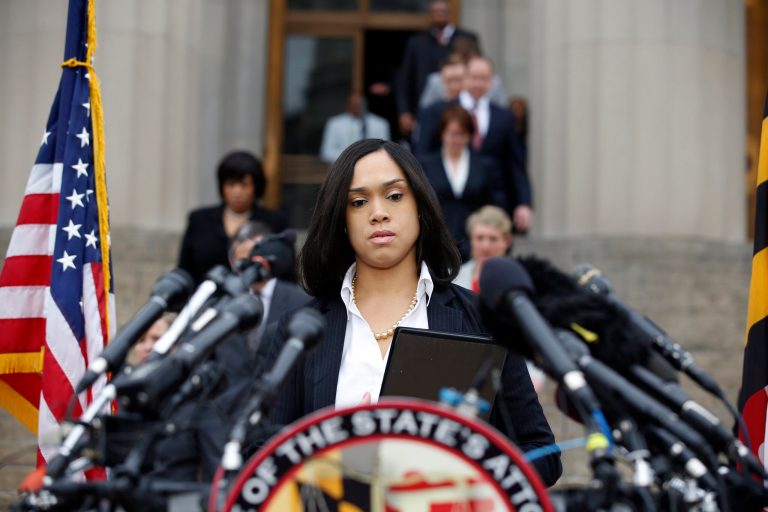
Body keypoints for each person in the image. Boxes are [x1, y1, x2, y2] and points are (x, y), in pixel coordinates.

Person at [263, 139, 561, 487]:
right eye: (358, 202)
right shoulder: (300, 331)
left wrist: (467, 473)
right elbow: (262, 453)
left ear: (420, 205)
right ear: (342, 221)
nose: (378, 212)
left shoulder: (483, 321)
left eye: (394, 195)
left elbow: (542, 454)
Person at [415, 56, 533, 233]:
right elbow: (422, 157)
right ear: (464, 77)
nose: (478, 83)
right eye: (474, 77)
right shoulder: (438, 111)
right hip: (444, 201)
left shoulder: (505, 117)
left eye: (484, 78)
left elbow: (515, 163)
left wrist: (524, 202)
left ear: (492, 81)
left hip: (491, 202)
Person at [177, 151, 288, 284]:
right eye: (231, 184)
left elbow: (285, 273)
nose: (237, 192)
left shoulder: (274, 222)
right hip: (204, 299)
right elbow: (184, 271)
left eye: (244, 185)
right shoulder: (199, 220)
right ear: (222, 186)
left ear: (256, 187)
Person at [417, 105, 505, 260]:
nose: (456, 139)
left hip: (474, 246)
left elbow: (494, 204)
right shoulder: (426, 165)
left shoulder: (484, 166)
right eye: (452, 134)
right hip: (436, 244)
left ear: (470, 136)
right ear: (442, 133)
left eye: (462, 134)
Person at [395, 0, 478, 141]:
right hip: (428, 104)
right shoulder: (417, 42)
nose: (439, 15)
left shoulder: (466, 39)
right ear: (429, 15)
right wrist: (404, 111)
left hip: (464, 106)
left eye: (442, 12)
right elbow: (405, 79)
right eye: (435, 12)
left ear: (449, 14)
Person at [453, 205, 513, 293]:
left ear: (507, 242)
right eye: (479, 238)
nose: (485, 246)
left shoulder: (516, 280)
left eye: (493, 239)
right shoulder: (454, 277)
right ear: (470, 239)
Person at [320, 92, 391, 164]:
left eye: (360, 105)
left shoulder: (380, 124)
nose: (357, 107)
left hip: (371, 167)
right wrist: (350, 157)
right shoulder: (334, 123)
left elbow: (384, 151)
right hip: (342, 168)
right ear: (348, 105)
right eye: (354, 105)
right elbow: (326, 153)